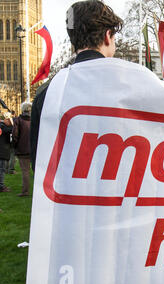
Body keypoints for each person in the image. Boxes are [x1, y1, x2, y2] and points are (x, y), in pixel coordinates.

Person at [30, 0, 123, 171]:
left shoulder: (47, 92)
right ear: (107, 36)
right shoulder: (128, 85)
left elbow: (39, 163)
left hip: (67, 193)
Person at [13, 102, 32, 196]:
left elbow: (15, 135)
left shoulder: (19, 120)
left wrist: (15, 145)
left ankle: (25, 191)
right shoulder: (34, 120)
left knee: (25, 171)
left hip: (23, 149)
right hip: (33, 148)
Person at [0, 112, 14, 192]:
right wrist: (11, 124)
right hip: (2, 151)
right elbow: (11, 129)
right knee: (1, 170)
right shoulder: (3, 127)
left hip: (2, 151)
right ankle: (1, 186)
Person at [7, 110, 17, 174]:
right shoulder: (15, 120)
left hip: (7, 140)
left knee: (8, 155)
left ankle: (6, 168)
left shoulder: (7, 121)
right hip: (12, 140)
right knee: (12, 155)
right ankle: (11, 169)